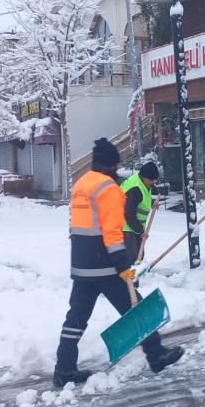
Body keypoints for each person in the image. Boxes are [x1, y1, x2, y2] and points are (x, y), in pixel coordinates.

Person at [53, 139, 183, 387]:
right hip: (105, 265)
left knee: (76, 318)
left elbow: (76, 224)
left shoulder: (81, 184)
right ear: (112, 164)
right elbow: (112, 232)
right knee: (137, 309)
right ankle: (156, 355)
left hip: (81, 263)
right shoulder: (108, 188)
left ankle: (64, 368)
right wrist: (123, 265)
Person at [121, 161, 160, 270]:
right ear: (144, 177)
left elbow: (141, 200)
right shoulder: (135, 188)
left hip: (134, 227)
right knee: (132, 258)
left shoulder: (143, 183)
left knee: (139, 255)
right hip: (126, 227)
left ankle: (138, 275)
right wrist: (141, 231)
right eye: (151, 180)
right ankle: (131, 278)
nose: (152, 182)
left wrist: (152, 203)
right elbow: (128, 213)